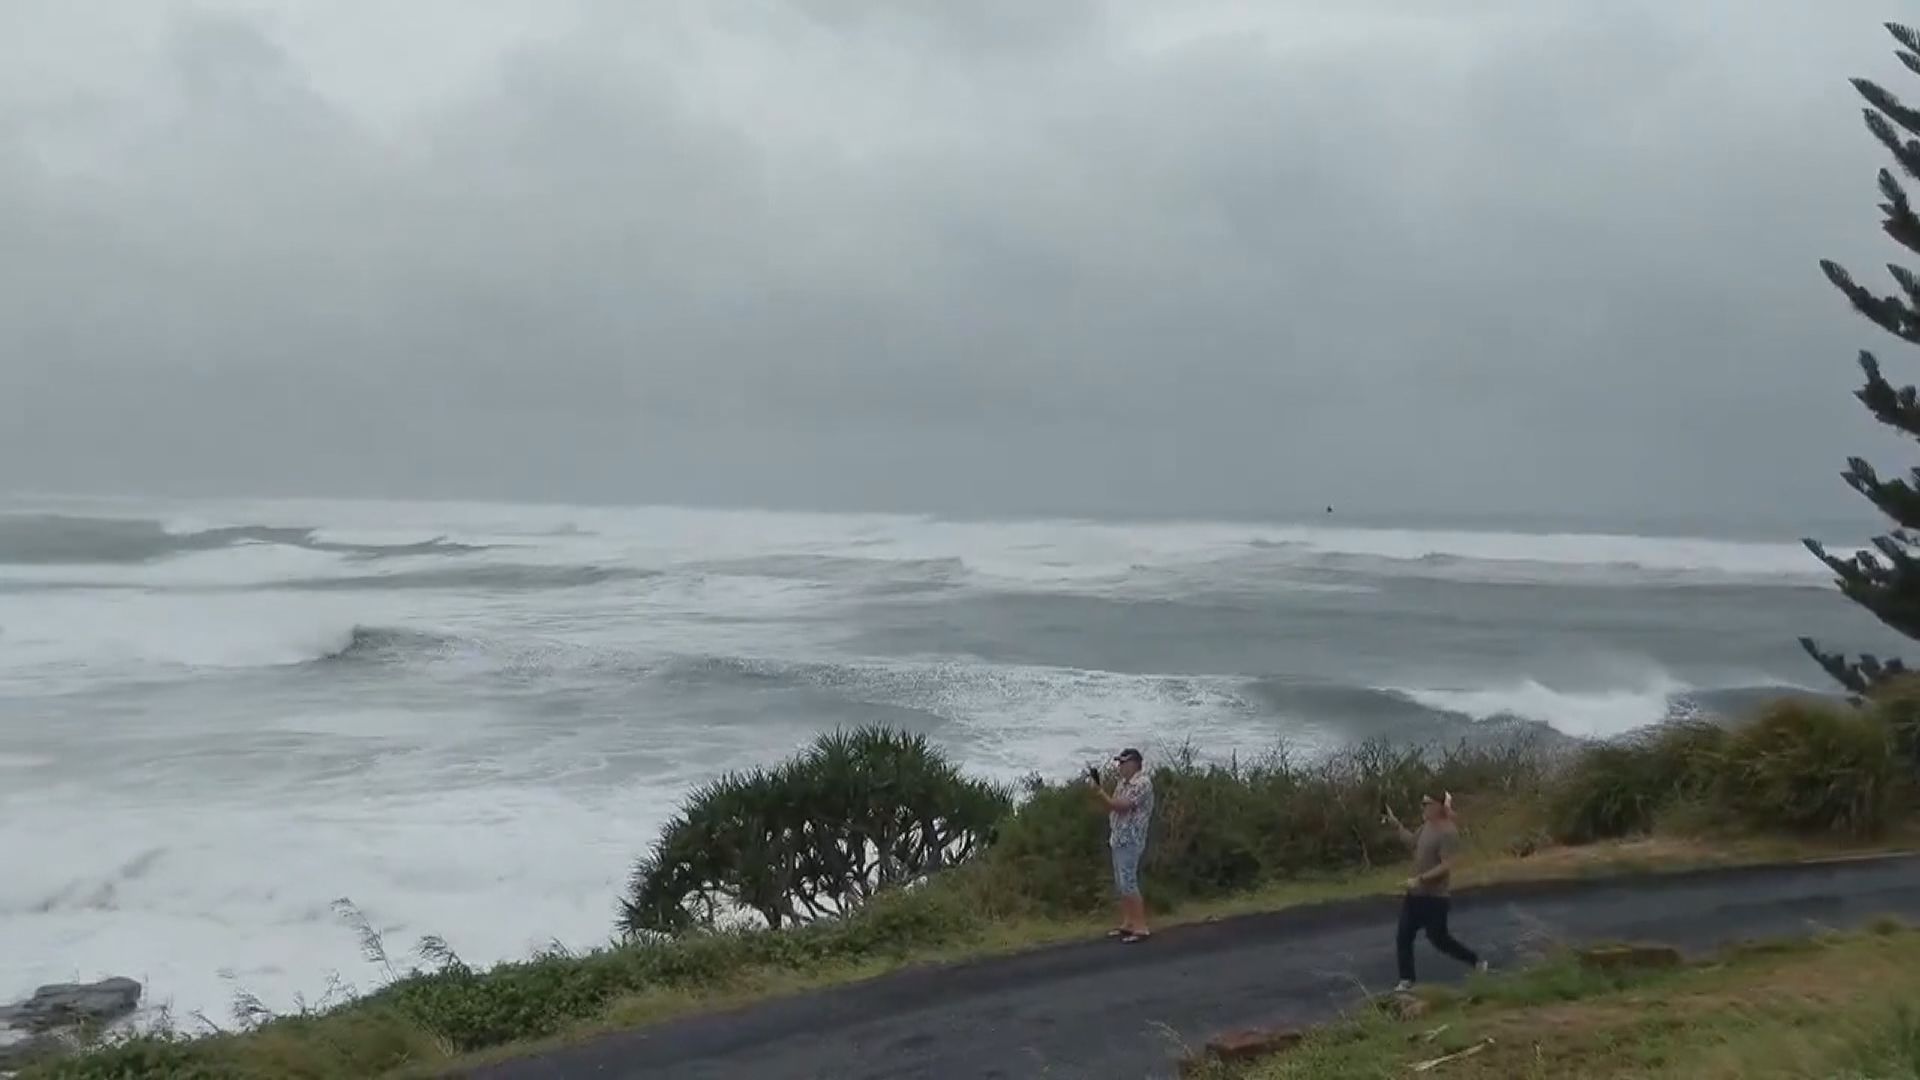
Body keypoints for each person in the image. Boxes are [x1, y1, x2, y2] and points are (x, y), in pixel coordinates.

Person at [1383, 791, 1488, 991]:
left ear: (1439, 806)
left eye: (1426, 803)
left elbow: (1447, 865)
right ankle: (1407, 980)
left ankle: (1475, 962)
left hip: (1435, 898)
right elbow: (1412, 842)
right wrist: (1396, 824)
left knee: (1439, 940)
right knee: (1403, 936)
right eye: (1422, 803)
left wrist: (1421, 879)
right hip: (1415, 895)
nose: (1423, 807)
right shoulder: (1426, 827)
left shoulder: (1448, 832)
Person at [1087, 747, 1154, 943]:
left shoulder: (1142, 783)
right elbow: (1112, 804)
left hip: (1131, 840)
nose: (1120, 767)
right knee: (1121, 883)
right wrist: (1101, 795)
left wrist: (1099, 793)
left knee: (1128, 882)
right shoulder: (1123, 783)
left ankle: (1140, 927)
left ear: (1134, 763)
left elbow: (1121, 806)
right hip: (1118, 838)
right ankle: (1128, 923)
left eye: (1123, 763)